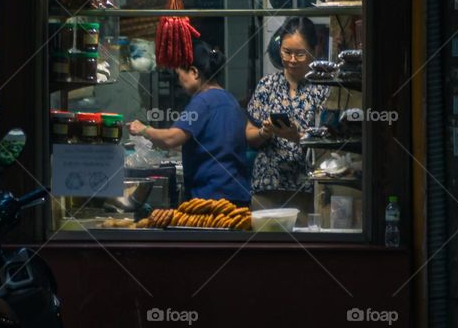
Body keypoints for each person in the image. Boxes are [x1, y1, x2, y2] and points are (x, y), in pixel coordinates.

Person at [128, 42, 251, 206]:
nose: (179, 81)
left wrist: (142, 129)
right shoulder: (230, 100)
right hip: (238, 195)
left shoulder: (202, 100)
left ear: (194, 72)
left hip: (212, 198)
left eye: (180, 74)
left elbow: (171, 138)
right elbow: (213, 142)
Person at [245, 17, 328, 226]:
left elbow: (330, 146)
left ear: (314, 51)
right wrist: (265, 132)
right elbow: (249, 136)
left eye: (300, 54)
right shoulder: (267, 85)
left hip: (305, 188)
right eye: (286, 52)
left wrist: (298, 137)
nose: (291, 59)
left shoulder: (324, 89)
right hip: (266, 186)